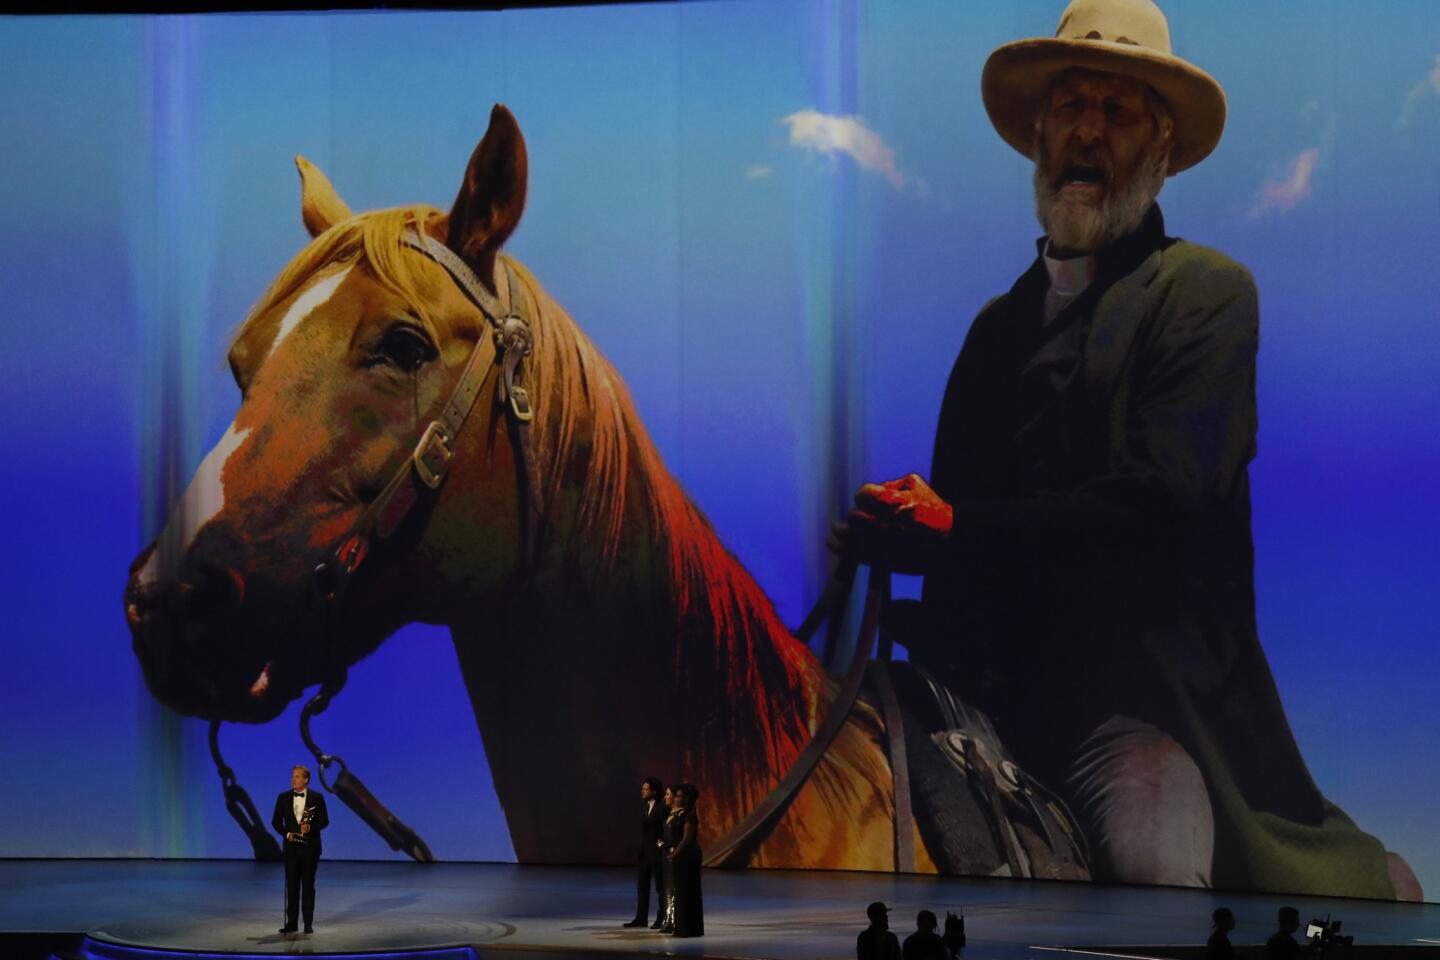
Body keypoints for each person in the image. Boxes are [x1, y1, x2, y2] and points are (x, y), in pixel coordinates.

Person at [832, 0, 1410, 899]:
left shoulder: (1207, 294)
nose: (1088, 132)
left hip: (1131, 712)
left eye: (1117, 110)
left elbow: (1159, 511)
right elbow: (959, 562)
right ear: (1038, 135)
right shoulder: (993, 333)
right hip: (986, 704)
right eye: (1071, 107)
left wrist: (954, 525)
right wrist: (888, 541)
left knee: (1150, 867)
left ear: (1163, 149)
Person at [271, 764, 329, 935]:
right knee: (292, 885)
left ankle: (308, 923)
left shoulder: (317, 798)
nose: (293, 779)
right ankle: (292, 923)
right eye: (292, 776)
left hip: (310, 848)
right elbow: (275, 822)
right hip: (291, 849)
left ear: (306, 780)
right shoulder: (283, 797)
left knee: (308, 886)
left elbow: (325, 821)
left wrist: (310, 828)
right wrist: (286, 833)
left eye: (297, 776)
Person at [624, 777, 668, 929]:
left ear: (654, 791)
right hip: (645, 853)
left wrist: (660, 847)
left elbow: (664, 832)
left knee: (660, 888)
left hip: (656, 852)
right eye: (642, 788)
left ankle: (662, 918)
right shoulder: (644, 806)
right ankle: (641, 918)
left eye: (646, 789)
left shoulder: (662, 808)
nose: (642, 791)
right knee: (642, 886)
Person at [665, 783, 704, 937]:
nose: (676, 798)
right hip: (682, 854)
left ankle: (688, 929)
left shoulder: (690, 814)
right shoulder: (679, 813)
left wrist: (674, 854)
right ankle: (683, 927)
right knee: (680, 890)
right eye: (676, 795)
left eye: (679, 796)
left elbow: (687, 838)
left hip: (688, 855)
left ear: (687, 798)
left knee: (687, 890)